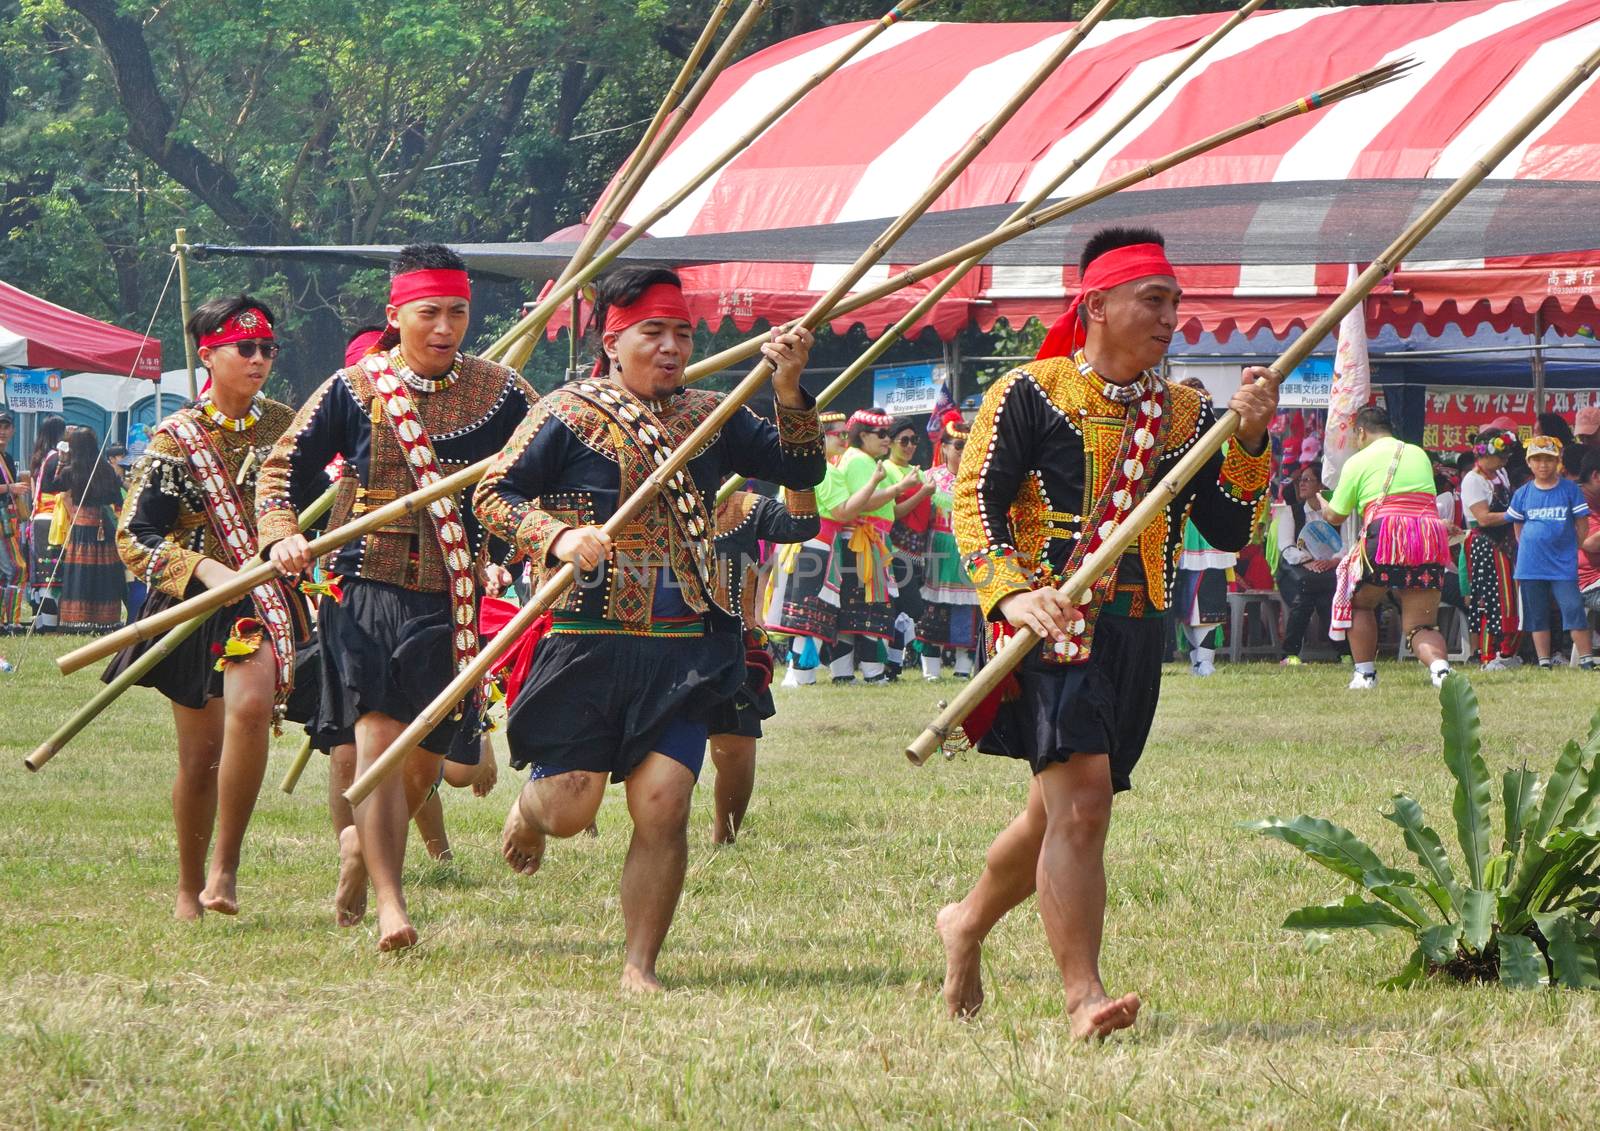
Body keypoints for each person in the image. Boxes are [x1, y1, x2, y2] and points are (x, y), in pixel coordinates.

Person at [939, 227, 1275, 1039]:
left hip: (1136, 632)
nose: (1169, 319)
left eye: (1174, 304)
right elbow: (973, 498)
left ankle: (965, 922)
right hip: (1052, 626)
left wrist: (1252, 441)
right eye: (1152, 301)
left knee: (1053, 815)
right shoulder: (1031, 391)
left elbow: (1229, 531)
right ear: (1096, 304)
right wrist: (1011, 592)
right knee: (1084, 808)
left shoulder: (1190, 413)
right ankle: (1083, 995)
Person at [475, 265, 823, 992]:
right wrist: (557, 536)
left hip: (685, 645)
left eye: (682, 333)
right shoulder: (567, 413)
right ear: (613, 340)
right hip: (586, 639)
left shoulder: (713, 410)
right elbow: (493, 495)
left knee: (664, 804)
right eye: (652, 333)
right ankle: (532, 810)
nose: (670, 347)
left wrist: (788, 388)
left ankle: (641, 964)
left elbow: (801, 466)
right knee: (572, 805)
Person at [259, 244, 535, 951]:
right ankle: (392, 902)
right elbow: (281, 465)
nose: (445, 327)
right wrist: (283, 533)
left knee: (422, 761)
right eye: (429, 313)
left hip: (454, 596)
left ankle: (361, 848)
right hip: (366, 587)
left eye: (457, 312)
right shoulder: (355, 387)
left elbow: (551, 464)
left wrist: (531, 542)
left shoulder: (504, 393)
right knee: (379, 741)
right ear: (395, 315)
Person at [105, 294, 305, 920]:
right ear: (209, 355)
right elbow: (134, 538)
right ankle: (189, 887)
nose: (258, 360)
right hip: (194, 606)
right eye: (244, 349)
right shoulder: (175, 438)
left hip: (266, 602)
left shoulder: (288, 426)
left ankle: (227, 865)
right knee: (199, 758)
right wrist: (207, 569)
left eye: (267, 349)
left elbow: (329, 496)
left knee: (249, 708)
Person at [706, 484, 819, 842]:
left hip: (731, 643)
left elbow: (800, 526)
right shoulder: (641, 500)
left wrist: (797, 458)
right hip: (657, 639)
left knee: (736, 746)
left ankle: (723, 837)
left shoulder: (744, 506)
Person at [1321, 407, 1455, 690]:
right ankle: (1441, 670)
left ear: (1361, 432)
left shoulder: (1358, 460)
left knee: (1359, 603)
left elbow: (1335, 516)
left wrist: (1324, 504)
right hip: (1427, 536)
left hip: (1386, 535)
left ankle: (1365, 674)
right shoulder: (1417, 453)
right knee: (1422, 625)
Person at [766, 411, 847, 686]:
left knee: (799, 609)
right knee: (810, 610)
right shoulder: (828, 472)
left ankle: (797, 671)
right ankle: (801, 673)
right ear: (823, 438)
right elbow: (841, 511)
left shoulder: (789, 467)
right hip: (816, 546)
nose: (845, 441)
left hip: (793, 546)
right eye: (840, 435)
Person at [824, 408, 902, 682]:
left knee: (851, 609)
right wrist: (895, 490)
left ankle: (844, 674)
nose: (887, 440)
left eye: (889, 435)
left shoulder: (862, 459)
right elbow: (863, 502)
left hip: (866, 540)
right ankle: (872, 672)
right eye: (881, 434)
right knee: (868, 607)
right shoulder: (858, 460)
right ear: (863, 435)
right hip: (862, 540)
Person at [1506, 435, 1597, 669]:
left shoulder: (1569, 490)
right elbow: (1518, 526)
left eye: (1548, 459)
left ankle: (1586, 659)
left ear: (1558, 462)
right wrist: (1527, 545)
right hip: (1530, 565)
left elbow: (1582, 523)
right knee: (1537, 614)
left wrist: (1573, 545)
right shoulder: (1523, 493)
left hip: (1563, 564)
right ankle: (1543, 661)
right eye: (1537, 459)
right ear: (1529, 463)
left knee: (1573, 608)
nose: (1543, 464)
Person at [917, 416, 981, 679]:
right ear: (943, 447)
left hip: (968, 555)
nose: (963, 452)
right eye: (958, 446)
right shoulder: (929, 478)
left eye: (968, 447)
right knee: (932, 610)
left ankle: (963, 668)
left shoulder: (979, 480)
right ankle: (930, 669)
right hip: (937, 554)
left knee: (967, 612)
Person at [1461, 428, 1521, 669]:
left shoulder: (1501, 473)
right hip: (1485, 544)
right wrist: (1515, 515)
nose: (1505, 460)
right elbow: (1483, 518)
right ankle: (1488, 655)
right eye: (1501, 455)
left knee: (1510, 599)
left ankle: (1507, 652)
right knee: (1490, 599)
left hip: (1505, 542)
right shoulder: (1472, 480)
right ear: (1484, 454)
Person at [54, 426, 124, 630]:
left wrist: (60, 460)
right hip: (103, 523)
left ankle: (78, 617)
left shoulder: (70, 471)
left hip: (81, 524)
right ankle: (106, 618)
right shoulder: (105, 470)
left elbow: (52, 485)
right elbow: (115, 497)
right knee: (104, 571)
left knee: (80, 572)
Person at [881, 421, 935, 677]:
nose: (911, 445)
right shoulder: (888, 471)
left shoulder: (918, 472)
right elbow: (893, 512)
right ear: (890, 442)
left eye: (914, 440)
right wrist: (923, 493)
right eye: (904, 440)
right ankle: (888, 663)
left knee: (904, 609)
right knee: (909, 607)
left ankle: (893, 665)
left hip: (918, 551)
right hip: (895, 548)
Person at [1274, 463, 1342, 664]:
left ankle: (1292, 653)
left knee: (1324, 598)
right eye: (1300, 480)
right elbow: (1286, 547)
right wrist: (1308, 561)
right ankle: (1294, 653)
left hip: (1328, 571)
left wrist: (1333, 561)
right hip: (1295, 572)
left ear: (1321, 486)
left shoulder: (1337, 515)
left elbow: (1346, 544)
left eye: (1307, 480)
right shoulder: (1291, 512)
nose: (1301, 484)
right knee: (1304, 595)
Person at [27, 414, 66, 630]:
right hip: (52, 519)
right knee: (51, 574)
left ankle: (41, 623)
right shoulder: (55, 458)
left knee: (41, 575)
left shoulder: (39, 457)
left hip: (38, 517)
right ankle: (50, 624)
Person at [0, 412, 29, 627]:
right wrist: (11, 487)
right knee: (17, 568)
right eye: (0, 426)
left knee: (7, 571)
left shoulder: (7, 457)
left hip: (8, 518)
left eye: (6, 426)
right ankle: (11, 621)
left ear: (13, 430)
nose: (2, 430)